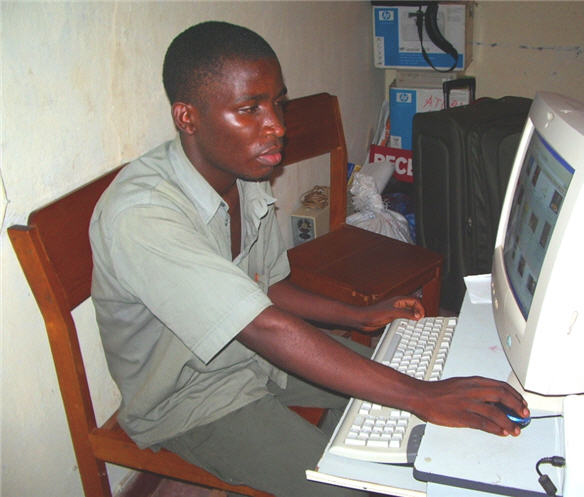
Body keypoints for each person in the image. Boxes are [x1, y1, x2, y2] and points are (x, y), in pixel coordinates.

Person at [89, 21, 529, 497]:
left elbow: (268, 287)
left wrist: (356, 315)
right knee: (362, 477)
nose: (276, 125)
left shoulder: (244, 167)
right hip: (192, 398)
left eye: (277, 102)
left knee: (409, 393)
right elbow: (263, 325)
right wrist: (420, 398)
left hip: (258, 359)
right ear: (187, 117)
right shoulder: (143, 216)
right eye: (249, 109)